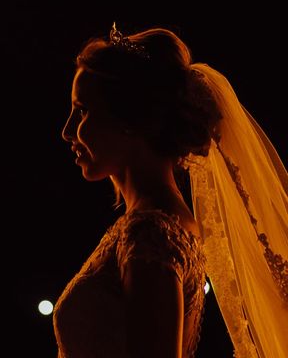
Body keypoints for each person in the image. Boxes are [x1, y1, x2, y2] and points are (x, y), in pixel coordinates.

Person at [54, 24, 288, 358]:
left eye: (83, 111)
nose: (67, 132)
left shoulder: (151, 234)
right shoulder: (149, 225)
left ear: (129, 118)